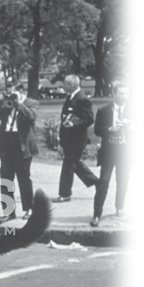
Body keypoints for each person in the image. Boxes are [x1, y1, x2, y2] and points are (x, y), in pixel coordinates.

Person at [0, 76, 39, 223]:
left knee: (24, 178)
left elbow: (31, 116)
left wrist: (19, 104)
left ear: (21, 91)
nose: (10, 95)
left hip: (22, 144)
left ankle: (29, 208)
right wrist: (0, 103)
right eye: (8, 91)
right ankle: (9, 211)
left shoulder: (32, 103)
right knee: (6, 178)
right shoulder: (6, 103)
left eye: (13, 92)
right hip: (6, 143)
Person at [91, 82, 130, 227]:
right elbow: (97, 130)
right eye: (121, 93)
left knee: (123, 180)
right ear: (114, 94)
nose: (124, 96)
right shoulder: (104, 110)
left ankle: (119, 207)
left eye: (126, 93)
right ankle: (96, 214)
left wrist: (129, 125)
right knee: (104, 181)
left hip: (125, 150)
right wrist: (109, 129)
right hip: (109, 151)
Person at [54, 74, 98, 202]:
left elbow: (89, 119)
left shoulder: (82, 99)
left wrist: (75, 125)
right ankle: (98, 183)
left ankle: (65, 193)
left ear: (72, 85)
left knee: (69, 165)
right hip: (69, 139)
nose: (63, 86)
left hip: (77, 140)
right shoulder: (70, 97)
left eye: (65, 84)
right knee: (74, 164)